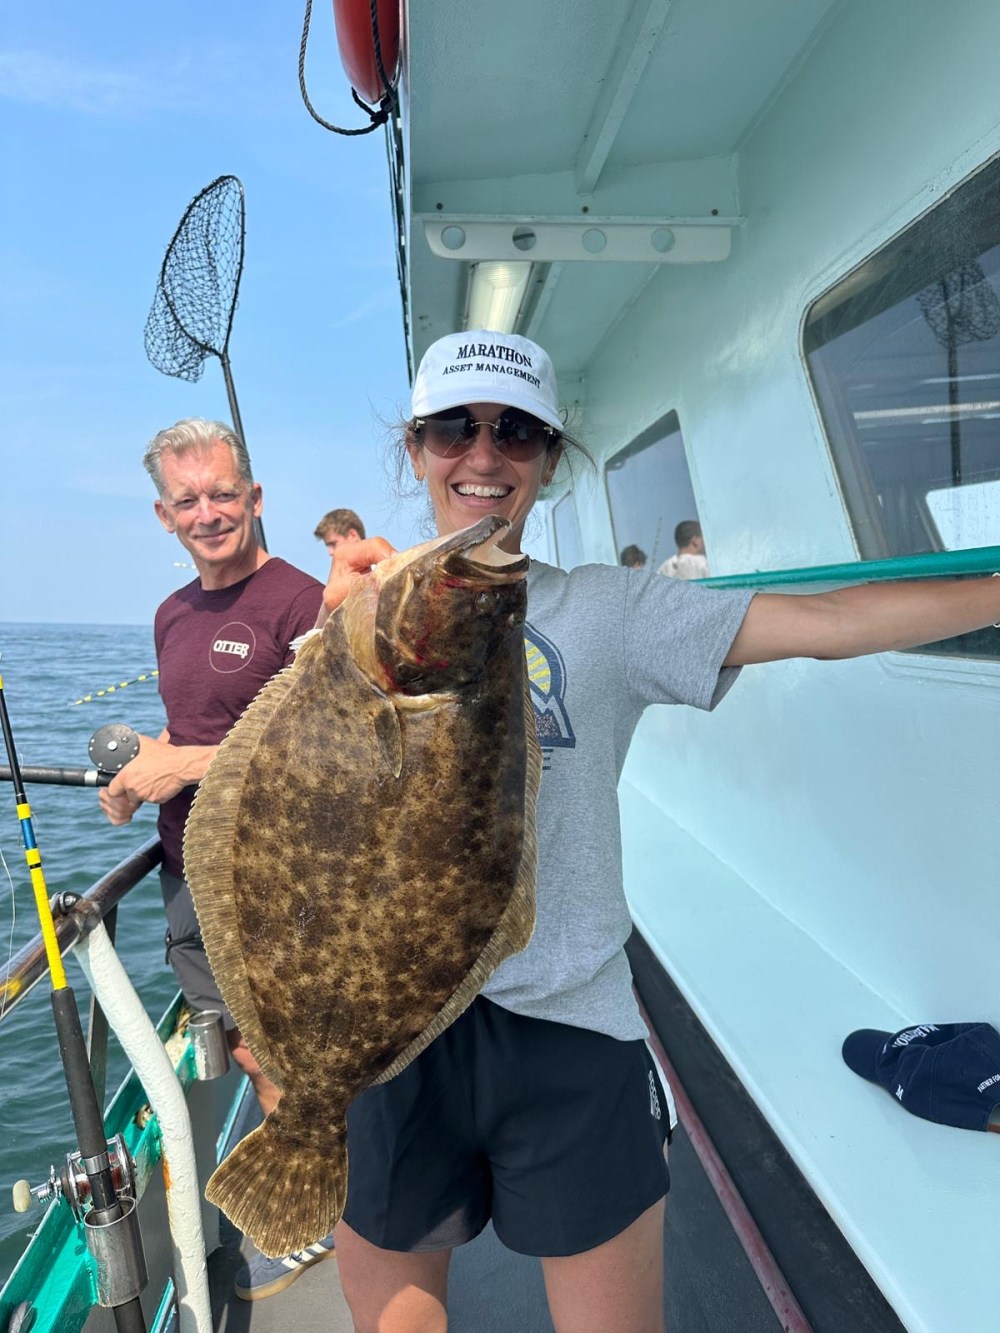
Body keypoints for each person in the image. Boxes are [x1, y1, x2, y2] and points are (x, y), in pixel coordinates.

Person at [320, 328, 1000, 1333]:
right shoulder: (353, 619)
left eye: (515, 433)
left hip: (571, 1027)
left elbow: (825, 623)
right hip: (398, 1025)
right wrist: (341, 660)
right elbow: (312, 823)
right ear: (416, 446)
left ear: (549, 460)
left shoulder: (611, 610)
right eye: (454, 427)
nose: (483, 454)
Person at [98, 418, 333, 1302]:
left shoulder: (302, 603)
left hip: (276, 882)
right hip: (186, 875)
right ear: (164, 515)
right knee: (244, 1046)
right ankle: (313, 1194)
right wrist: (137, 779)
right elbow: (195, 733)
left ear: (255, 498)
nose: (210, 513)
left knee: (293, 1054)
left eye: (224, 493)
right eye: (189, 499)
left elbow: (321, 748)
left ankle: (316, 1218)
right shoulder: (170, 614)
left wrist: (184, 764)